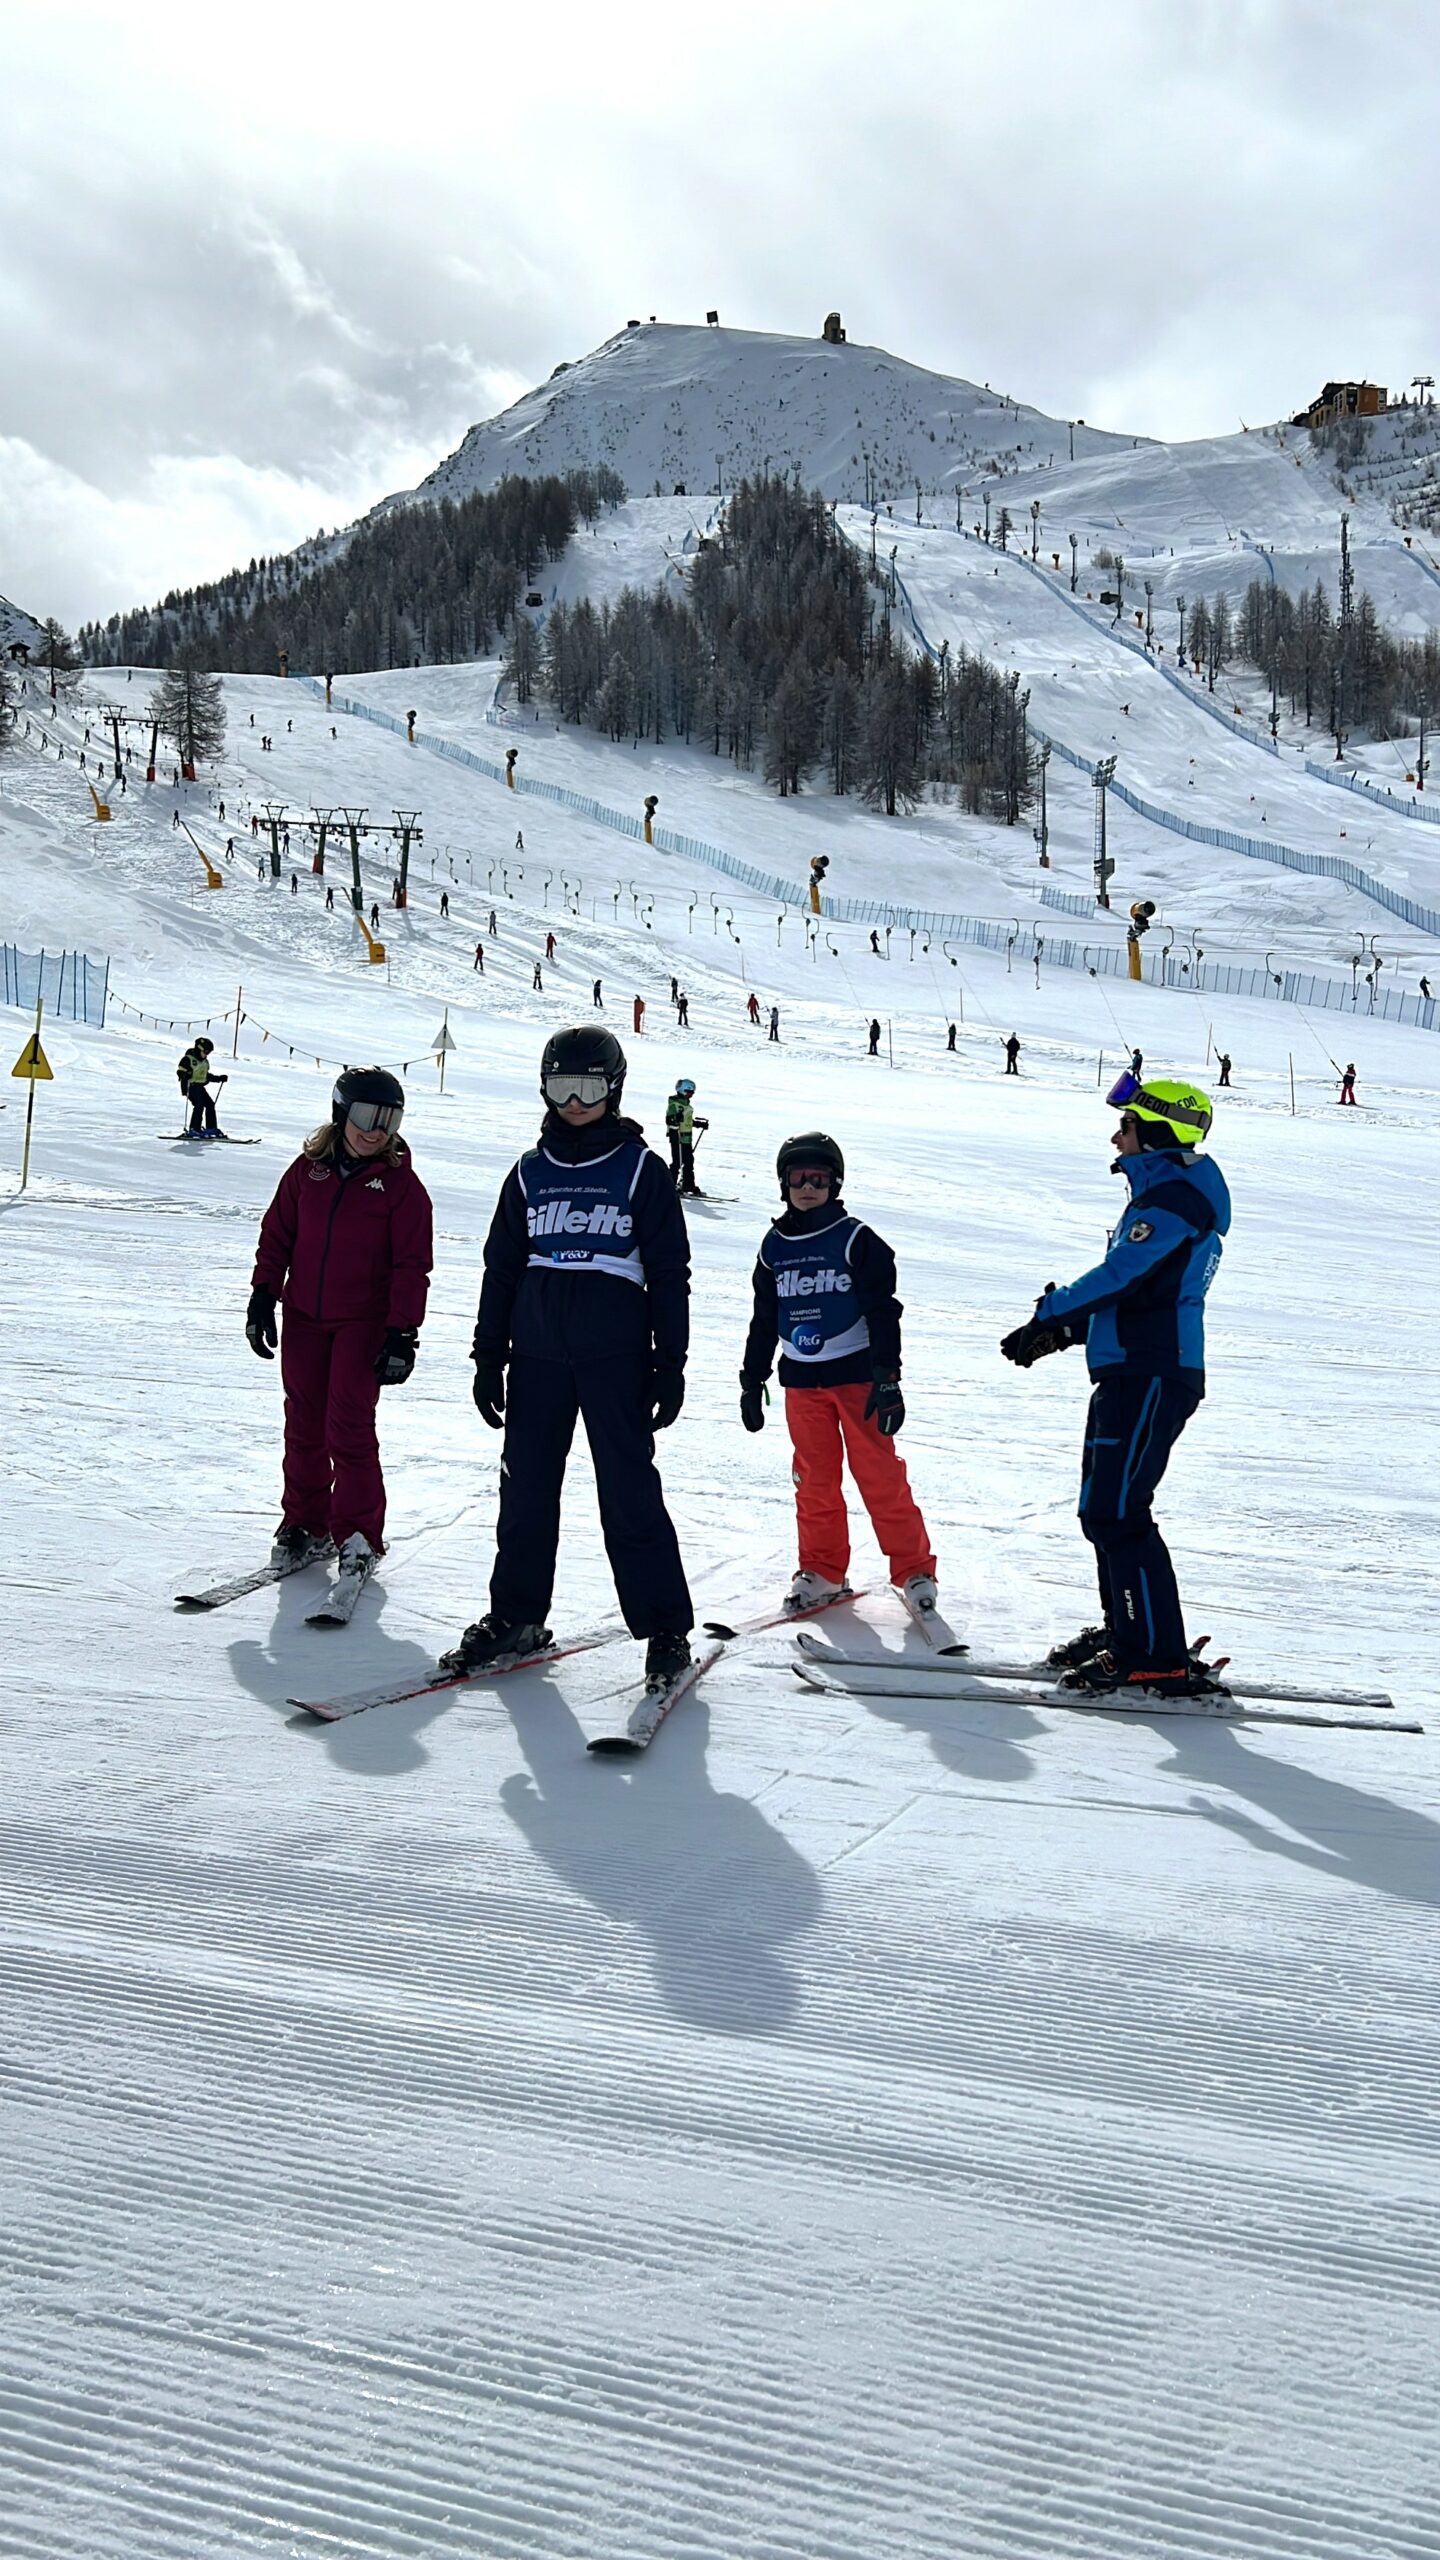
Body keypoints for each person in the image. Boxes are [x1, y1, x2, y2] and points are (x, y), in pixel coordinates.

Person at [441, 1026, 693, 1693]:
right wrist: (488, 1353)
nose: (575, 1102)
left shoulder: (643, 1169)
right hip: (538, 1356)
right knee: (524, 1492)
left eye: (588, 1087)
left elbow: (669, 1272)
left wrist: (671, 1362)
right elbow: (501, 1269)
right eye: (561, 1087)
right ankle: (517, 1616)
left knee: (628, 1492)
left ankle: (665, 1627)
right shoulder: (528, 1173)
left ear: (614, 1089)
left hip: (615, 1355)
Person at [999, 1071, 1229, 1697]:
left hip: (1152, 1374)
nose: (1115, 1137)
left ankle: (1151, 1655)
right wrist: (1068, 1335)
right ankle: (1130, 1631)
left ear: (1155, 1131)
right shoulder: (1166, 1197)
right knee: (1103, 1511)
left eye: (1125, 1126)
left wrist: (1051, 1314)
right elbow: (1139, 1293)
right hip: (1134, 1369)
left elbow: (1123, 1276)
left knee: (1119, 1512)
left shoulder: (1175, 1202)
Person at [246, 1068, 432, 1598]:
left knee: (346, 1426)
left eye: (390, 1119)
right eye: (368, 1117)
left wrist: (402, 1333)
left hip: (363, 1323)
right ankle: (305, 1521)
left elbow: (411, 1266)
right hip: (303, 1315)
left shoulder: (402, 1187)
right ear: (340, 1114)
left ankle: (357, 1535)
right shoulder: (307, 1173)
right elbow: (276, 1236)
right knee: (302, 1423)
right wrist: (264, 1296)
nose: (378, 1131)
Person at [739, 1133, 937, 1618]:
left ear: (835, 1183)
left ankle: (913, 1570)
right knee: (813, 1480)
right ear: (783, 1184)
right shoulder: (773, 1247)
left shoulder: (856, 1239)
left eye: (819, 1179)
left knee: (879, 1474)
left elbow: (884, 1311)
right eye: (798, 1178)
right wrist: (752, 1377)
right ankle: (824, 1570)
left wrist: (888, 1379)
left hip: (856, 1378)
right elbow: (765, 1317)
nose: (808, 1187)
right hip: (802, 1382)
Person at [665, 1078, 708, 1195]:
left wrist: (698, 1124)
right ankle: (670, 1186)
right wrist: (674, 1119)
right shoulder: (675, 1104)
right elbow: (670, 1119)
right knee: (677, 1162)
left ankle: (687, 1185)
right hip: (677, 1136)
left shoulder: (687, 1106)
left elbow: (686, 1121)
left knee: (688, 1161)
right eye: (689, 1092)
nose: (691, 1095)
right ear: (682, 1091)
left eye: (692, 1093)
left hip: (686, 1138)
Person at [178, 1037, 226, 1137]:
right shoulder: (188, 1059)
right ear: (198, 1049)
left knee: (210, 1104)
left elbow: (205, 1076)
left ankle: (211, 1128)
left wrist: (219, 1078)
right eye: (206, 1051)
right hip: (190, 1086)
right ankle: (194, 1129)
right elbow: (180, 1072)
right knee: (199, 1105)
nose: (207, 1054)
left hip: (200, 1087)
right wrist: (185, 1075)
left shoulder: (204, 1062)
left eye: (209, 1052)